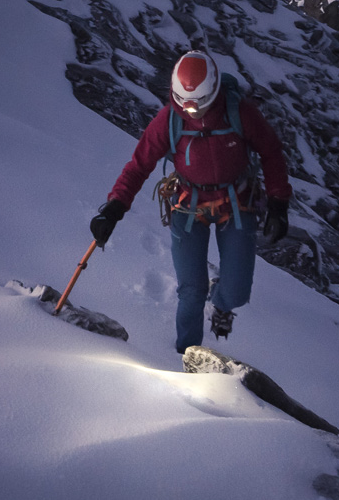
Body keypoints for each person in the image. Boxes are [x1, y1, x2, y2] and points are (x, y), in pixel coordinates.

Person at [88, 50, 291, 353]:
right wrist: (115, 207)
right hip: (188, 205)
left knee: (235, 291)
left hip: (235, 202)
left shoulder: (240, 112)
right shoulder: (169, 120)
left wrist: (278, 202)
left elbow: (271, 152)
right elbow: (139, 164)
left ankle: (222, 304)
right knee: (191, 291)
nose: (193, 111)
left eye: (199, 103)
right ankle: (186, 355)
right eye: (186, 104)